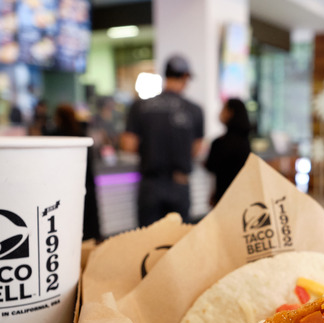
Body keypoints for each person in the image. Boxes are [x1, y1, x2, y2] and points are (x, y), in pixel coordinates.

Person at [121, 54, 204, 227]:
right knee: (178, 243)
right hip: (180, 182)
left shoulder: (139, 107)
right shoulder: (195, 110)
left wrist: (151, 149)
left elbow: (128, 145)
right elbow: (196, 149)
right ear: (185, 77)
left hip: (150, 184)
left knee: (148, 245)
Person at [48, 103, 101, 242]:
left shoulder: (54, 138)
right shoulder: (82, 135)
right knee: (88, 234)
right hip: (87, 190)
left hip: (64, 192)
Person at [205, 98, 251, 206]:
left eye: (223, 109)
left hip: (223, 197)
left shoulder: (220, 142)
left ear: (230, 113)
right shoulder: (246, 141)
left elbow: (211, 167)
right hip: (243, 197)